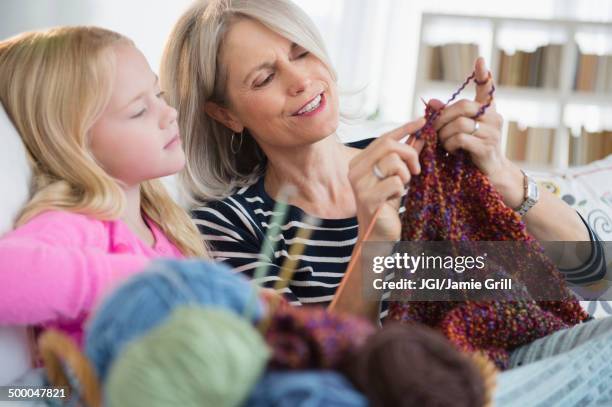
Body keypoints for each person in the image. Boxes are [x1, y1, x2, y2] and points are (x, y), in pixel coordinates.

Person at [161, 0, 605, 321]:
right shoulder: (227, 228)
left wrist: (505, 178)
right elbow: (304, 374)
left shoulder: (419, 167)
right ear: (226, 114)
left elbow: (597, 282)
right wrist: (375, 241)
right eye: (264, 78)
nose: (300, 80)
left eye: (301, 53)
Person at [0, 26, 207, 346]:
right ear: (75, 143)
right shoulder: (79, 225)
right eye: (139, 110)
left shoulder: (162, 224)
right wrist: (143, 277)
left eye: (159, 95)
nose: (170, 113)